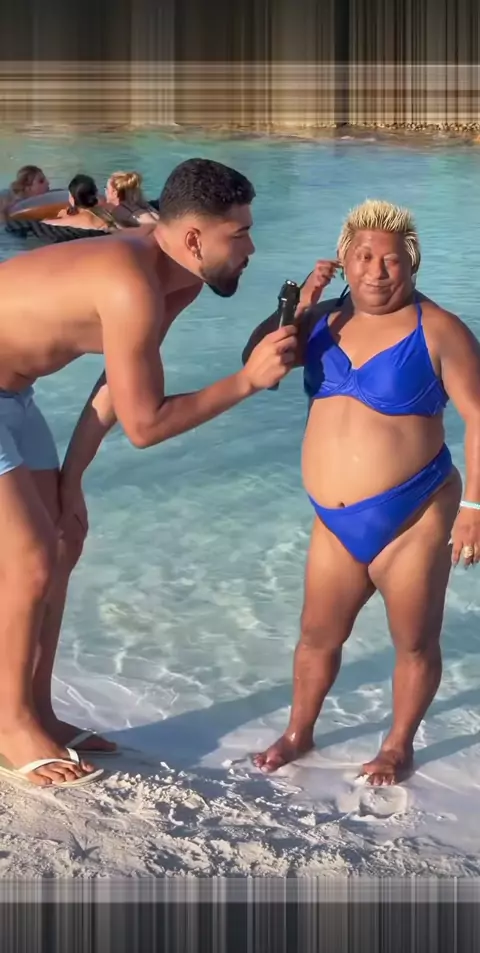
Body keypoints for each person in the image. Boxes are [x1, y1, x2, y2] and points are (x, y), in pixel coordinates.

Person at [0, 157, 297, 788]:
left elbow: (120, 383)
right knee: (29, 560)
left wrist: (72, 480)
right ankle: (9, 722)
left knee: (63, 539)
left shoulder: (177, 278)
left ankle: (39, 711)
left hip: (14, 396)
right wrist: (246, 381)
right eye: (239, 234)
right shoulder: (130, 283)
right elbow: (146, 424)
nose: (251, 248)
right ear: (194, 238)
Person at [243, 199, 480, 786]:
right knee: (316, 636)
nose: (377, 270)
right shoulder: (320, 321)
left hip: (414, 514)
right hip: (333, 520)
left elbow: (478, 417)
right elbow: (256, 363)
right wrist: (299, 306)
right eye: (364, 256)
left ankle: (397, 746)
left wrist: (474, 507)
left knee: (414, 642)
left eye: (391, 259)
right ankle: (299, 732)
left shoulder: (440, 329)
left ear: (412, 263)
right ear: (344, 260)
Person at [45, 173, 120, 232]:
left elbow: (46, 223)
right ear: (95, 193)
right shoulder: (104, 212)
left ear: (72, 198)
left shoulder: (83, 218)